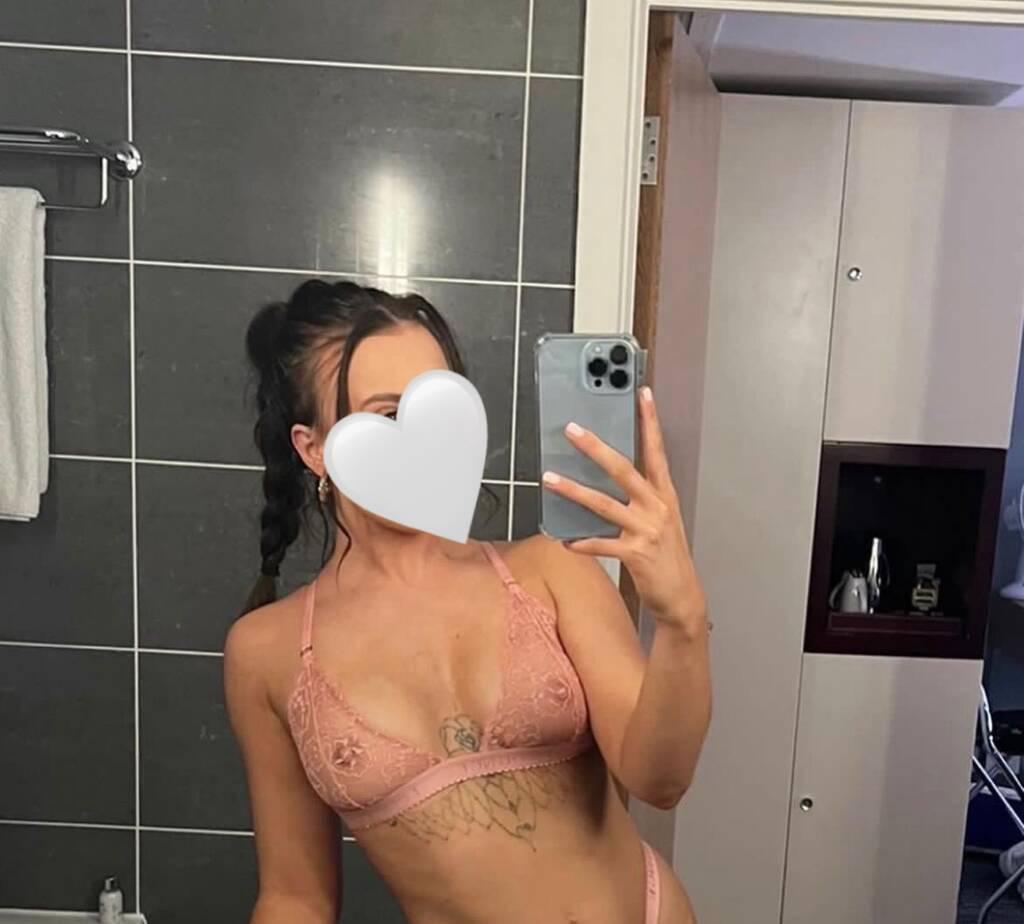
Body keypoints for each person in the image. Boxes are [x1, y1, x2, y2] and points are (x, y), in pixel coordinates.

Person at [224, 279, 711, 924]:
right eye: (388, 415)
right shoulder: (268, 653)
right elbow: (297, 897)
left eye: (440, 409)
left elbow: (660, 781)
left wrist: (682, 622)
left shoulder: (552, 571)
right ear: (313, 449)